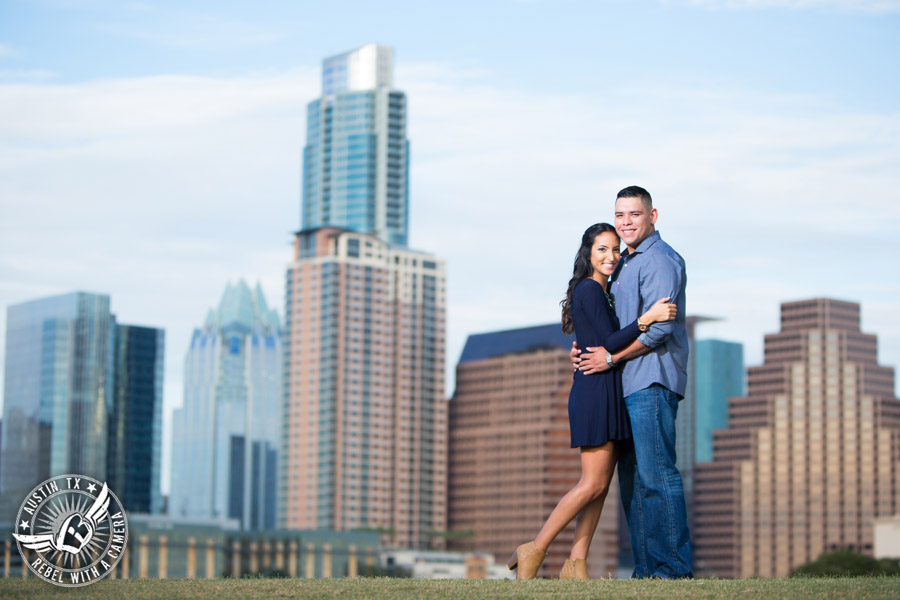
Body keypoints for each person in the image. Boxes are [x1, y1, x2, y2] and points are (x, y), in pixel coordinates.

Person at [507, 222, 677, 580]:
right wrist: (647, 319)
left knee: (600, 486)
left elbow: (598, 341)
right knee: (591, 484)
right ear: (588, 254)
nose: (611, 256)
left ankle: (577, 562)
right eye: (602, 249)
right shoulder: (589, 289)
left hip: (608, 388)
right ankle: (534, 549)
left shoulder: (605, 291)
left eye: (615, 249)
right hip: (595, 392)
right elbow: (609, 341)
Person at [572, 186, 693, 579]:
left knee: (657, 475)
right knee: (635, 483)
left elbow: (659, 331)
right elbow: (610, 326)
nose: (626, 222)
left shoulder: (660, 260)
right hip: (623, 386)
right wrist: (585, 349)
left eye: (634, 215)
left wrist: (612, 358)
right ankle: (646, 571)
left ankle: (672, 570)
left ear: (652, 216)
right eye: (620, 215)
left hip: (651, 380)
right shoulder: (622, 263)